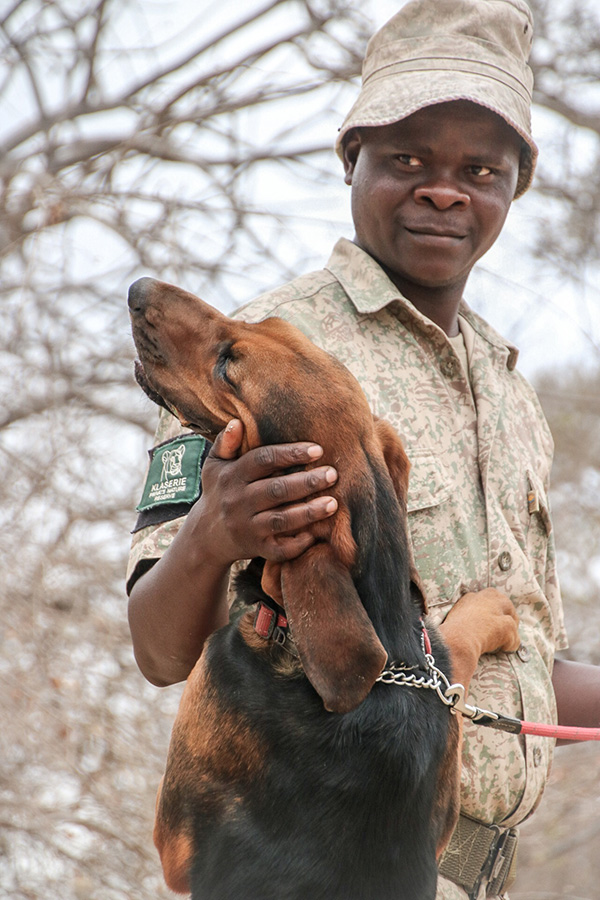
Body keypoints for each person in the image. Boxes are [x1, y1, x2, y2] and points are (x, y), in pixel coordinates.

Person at [126, 1, 600, 896]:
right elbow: (158, 650)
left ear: (516, 187)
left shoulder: (512, 395)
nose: (444, 191)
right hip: (306, 870)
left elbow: (526, 665)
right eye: (408, 159)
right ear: (354, 159)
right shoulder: (266, 356)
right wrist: (213, 533)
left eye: (480, 169)